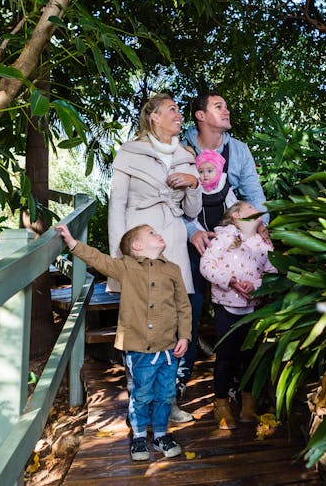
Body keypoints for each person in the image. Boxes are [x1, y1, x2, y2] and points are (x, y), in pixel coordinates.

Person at [55, 223, 192, 461]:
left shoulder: (173, 269)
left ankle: (161, 435)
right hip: (139, 348)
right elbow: (99, 260)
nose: (157, 233)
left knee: (165, 395)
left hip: (169, 348)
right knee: (141, 394)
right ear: (137, 247)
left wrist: (185, 335)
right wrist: (72, 243)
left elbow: (183, 306)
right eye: (151, 232)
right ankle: (139, 438)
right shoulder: (127, 268)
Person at [108, 93, 201, 423]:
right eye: (172, 110)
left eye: (178, 110)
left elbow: (193, 210)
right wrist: (119, 259)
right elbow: (116, 206)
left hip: (172, 241)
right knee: (139, 321)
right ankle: (139, 402)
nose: (179, 115)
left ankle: (170, 401)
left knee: (173, 319)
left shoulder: (186, 156)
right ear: (154, 118)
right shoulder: (129, 154)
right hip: (139, 239)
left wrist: (193, 183)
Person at [177, 93, 268, 404]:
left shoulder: (237, 150)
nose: (227, 110)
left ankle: (238, 386)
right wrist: (192, 232)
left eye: (227, 105)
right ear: (200, 116)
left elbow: (254, 194)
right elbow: (170, 201)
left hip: (233, 244)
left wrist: (260, 228)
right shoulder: (182, 149)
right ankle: (179, 382)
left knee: (236, 310)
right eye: (219, 106)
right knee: (189, 309)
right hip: (193, 241)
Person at [199, 201, 276, 430]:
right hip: (226, 307)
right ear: (235, 217)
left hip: (253, 308)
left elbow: (274, 272)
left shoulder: (264, 244)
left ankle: (248, 403)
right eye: (250, 208)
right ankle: (221, 404)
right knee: (225, 357)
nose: (257, 209)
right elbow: (206, 265)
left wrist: (256, 284)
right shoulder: (224, 238)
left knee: (250, 357)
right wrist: (231, 281)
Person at [193, 148, 238, 233]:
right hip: (202, 230)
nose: (205, 175)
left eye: (210, 171)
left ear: (218, 171)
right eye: (201, 171)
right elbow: (193, 215)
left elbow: (233, 207)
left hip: (227, 230)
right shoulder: (196, 188)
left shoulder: (224, 187)